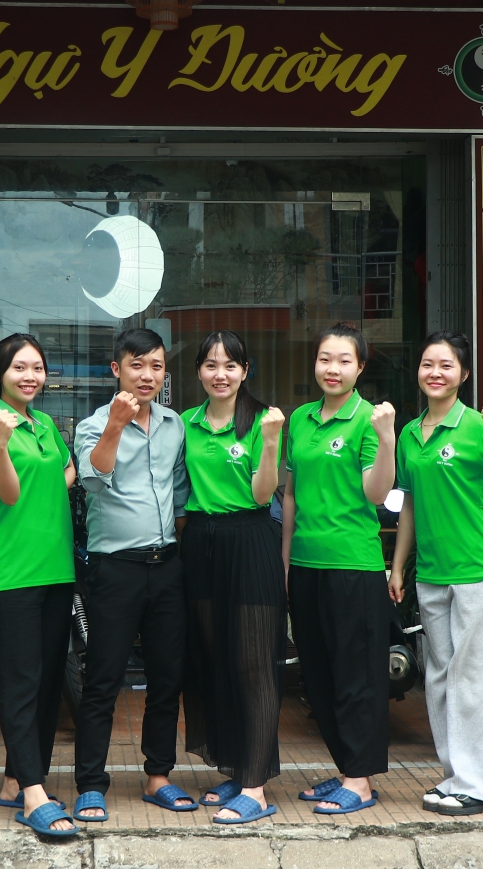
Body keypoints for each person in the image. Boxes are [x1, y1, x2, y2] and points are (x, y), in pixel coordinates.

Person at [388, 331, 483, 817]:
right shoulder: (410, 434)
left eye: (446, 365)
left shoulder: (477, 426)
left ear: (464, 374)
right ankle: (458, 776)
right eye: (427, 364)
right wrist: (398, 565)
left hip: (478, 569)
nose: (435, 373)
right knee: (440, 679)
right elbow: (409, 505)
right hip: (432, 573)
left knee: (477, 681)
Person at [70, 329, 193, 824]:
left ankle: (158, 776)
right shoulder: (92, 424)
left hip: (166, 566)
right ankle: (90, 784)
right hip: (115, 568)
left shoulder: (174, 425)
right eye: (137, 365)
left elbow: (179, 494)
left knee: (166, 678)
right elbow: (92, 479)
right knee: (103, 679)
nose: (147, 375)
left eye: (156, 366)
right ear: (116, 369)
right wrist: (116, 427)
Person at [281, 322, 396, 816]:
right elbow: (290, 494)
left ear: (360, 367)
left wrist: (387, 439)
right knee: (319, 676)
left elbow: (377, 493)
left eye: (344, 360)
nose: (333, 368)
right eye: (325, 358)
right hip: (306, 563)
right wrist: (285, 561)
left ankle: (360, 780)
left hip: (353, 564)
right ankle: (347, 766)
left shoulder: (369, 419)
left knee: (356, 675)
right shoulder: (300, 419)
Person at [0, 333, 79, 838]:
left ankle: (17, 780)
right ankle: (35, 793)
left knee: (49, 681)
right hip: (14, 573)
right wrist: (0, 444)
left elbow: (68, 471)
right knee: (19, 682)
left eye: (37, 367)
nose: (30, 376)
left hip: (56, 567)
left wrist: (48, 490)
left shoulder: (46, 426)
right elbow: (9, 494)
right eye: (19, 367)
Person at [180, 331, 286, 825]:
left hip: (250, 540)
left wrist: (270, 443)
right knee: (214, 659)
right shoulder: (187, 422)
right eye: (210, 365)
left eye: (230, 365)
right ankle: (235, 766)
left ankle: (255, 786)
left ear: (245, 371)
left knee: (253, 663)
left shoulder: (265, 420)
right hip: (201, 543)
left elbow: (264, 495)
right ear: (198, 371)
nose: (219, 374)